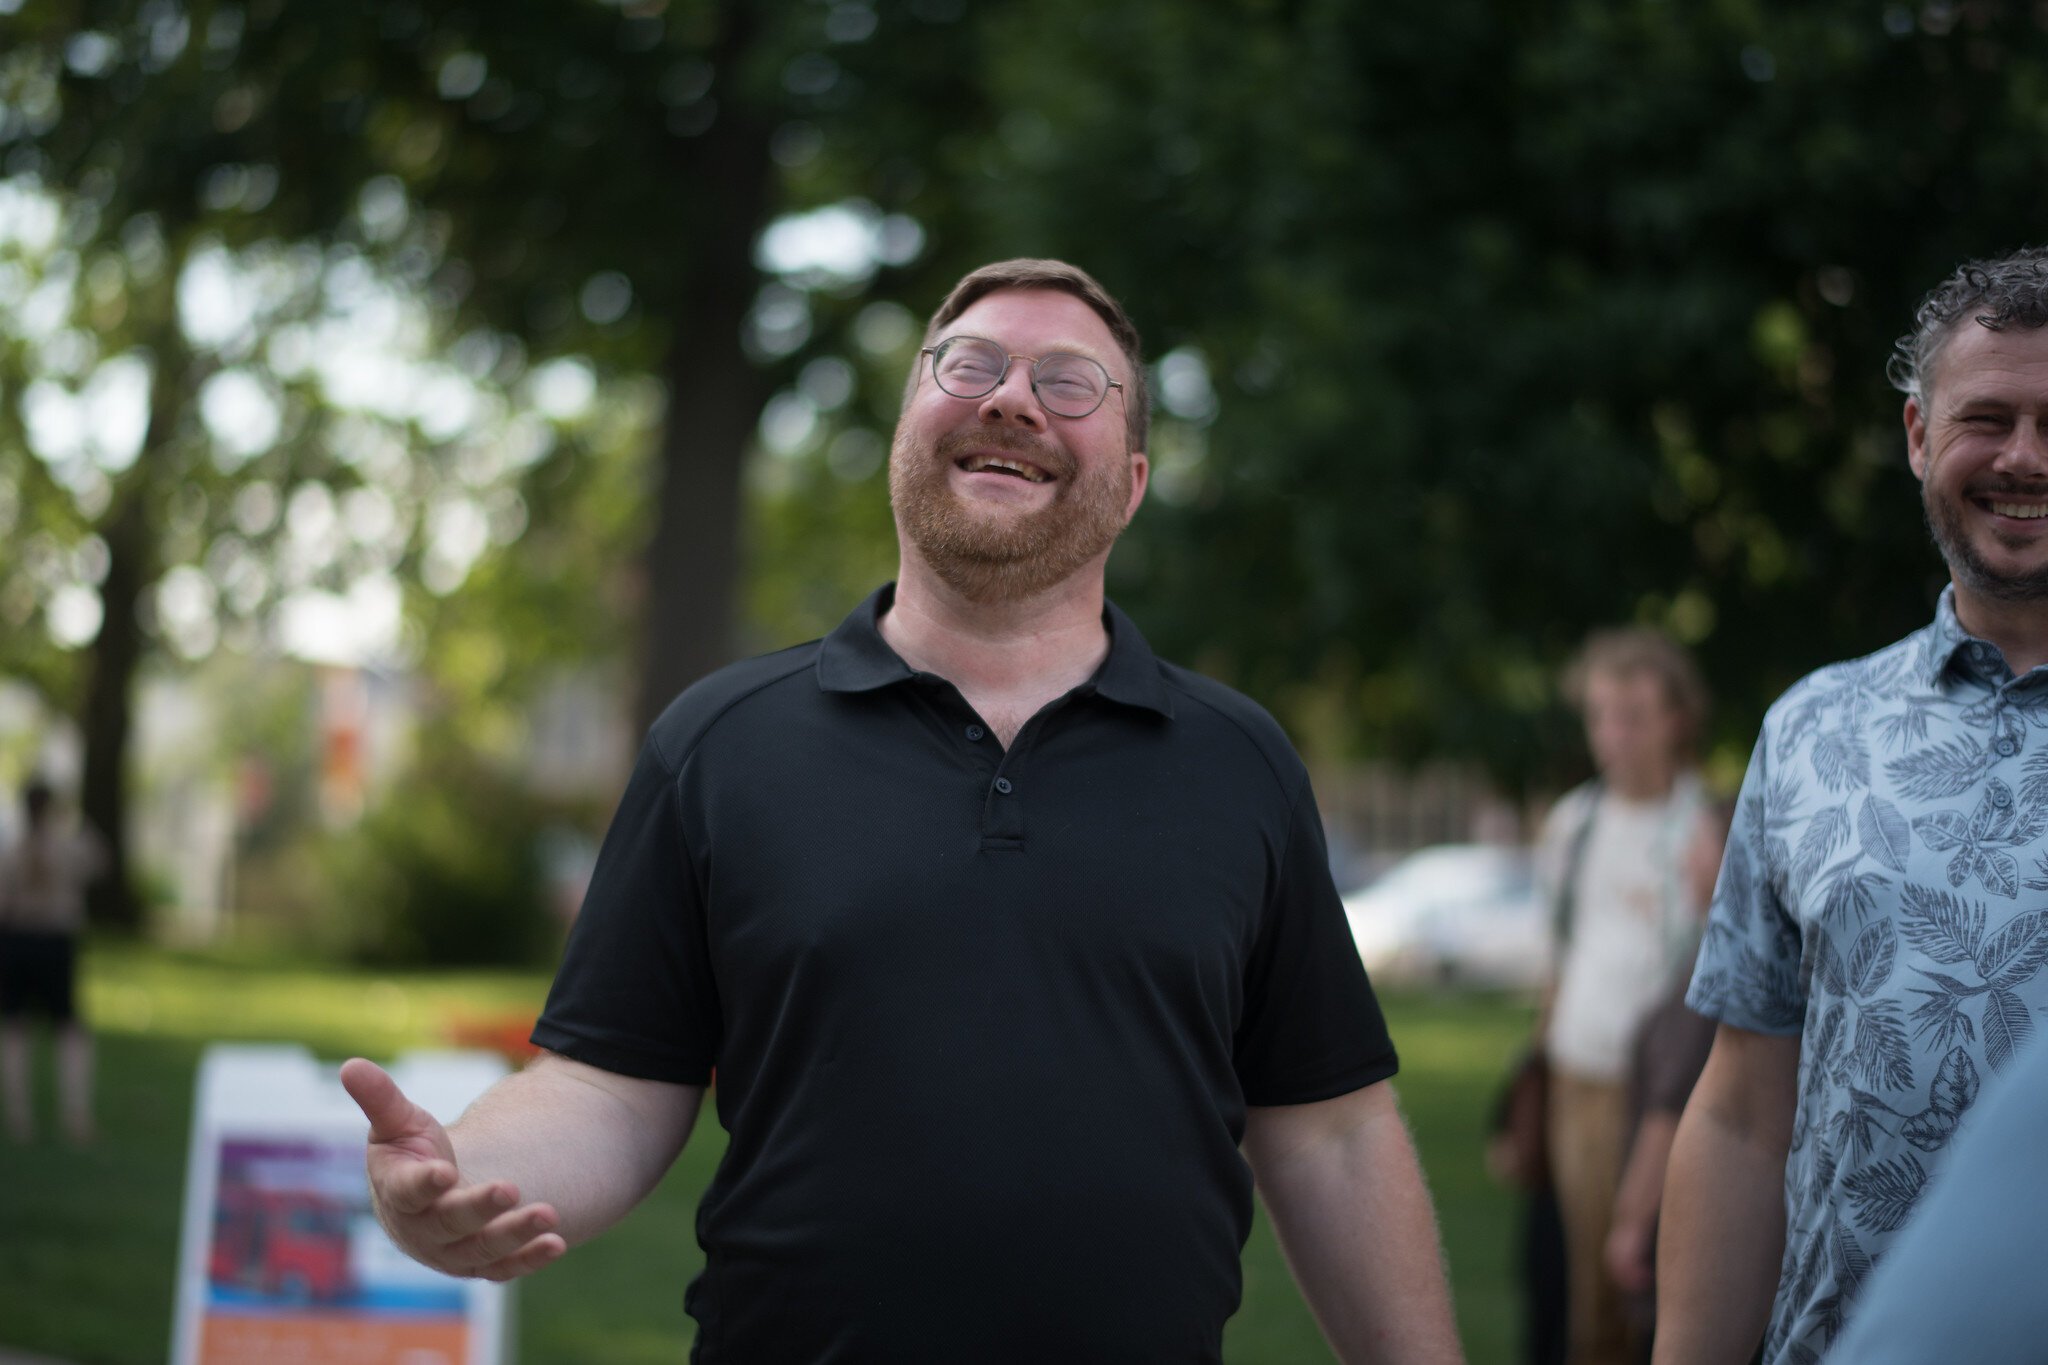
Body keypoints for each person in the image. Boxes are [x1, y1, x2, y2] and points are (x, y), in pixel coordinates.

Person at [342, 259, 1463, 1363]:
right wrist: (462, 1170)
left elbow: (1334, 1133)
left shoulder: (1237, 764)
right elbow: (611, 1086)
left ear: (1127, 483)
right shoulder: (721, 744)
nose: (1011, 396)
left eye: (1070, 382)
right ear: (903, 434)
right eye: (967, 363)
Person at [1656, 245, 2048, 1365]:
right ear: (1919, 436)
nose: (2022, 457)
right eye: (1987, 419)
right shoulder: (1812, 731)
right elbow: (1739, 1116)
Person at [1536, 629, 1710, 1365]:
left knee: (1660, 1280)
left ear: (1676, 718)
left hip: (1666, 1091)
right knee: (1588, 1287)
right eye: (1600, 713)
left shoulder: (1708, 829)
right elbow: (1557, 954)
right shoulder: (1572, 822)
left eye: (1633, 714)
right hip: (1579, 1075)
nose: (1613, 733)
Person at [1602, 803, 1727, 1360]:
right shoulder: (1732, 955)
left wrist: (1630, 1222)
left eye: (1699, 847)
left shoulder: (1715, 967)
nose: (1685, 860)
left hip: (1682, 1227)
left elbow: (1665, 1114)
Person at [0, 778, 107, 1143]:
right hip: (54, 942)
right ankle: (75, 1115)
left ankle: (19, 1116)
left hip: (17, 940)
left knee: (16, 1027)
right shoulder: (65, 848)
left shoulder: (11, 849)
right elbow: (100, 859)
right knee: (68, 1029)